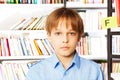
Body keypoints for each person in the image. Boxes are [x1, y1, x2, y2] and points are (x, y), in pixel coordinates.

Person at [25, 7, 104, 80]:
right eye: (58, 33)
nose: (65, 40)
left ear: (79, 36)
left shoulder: (94, 70)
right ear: (49, 36)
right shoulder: (35, 72)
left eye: (71, 33)